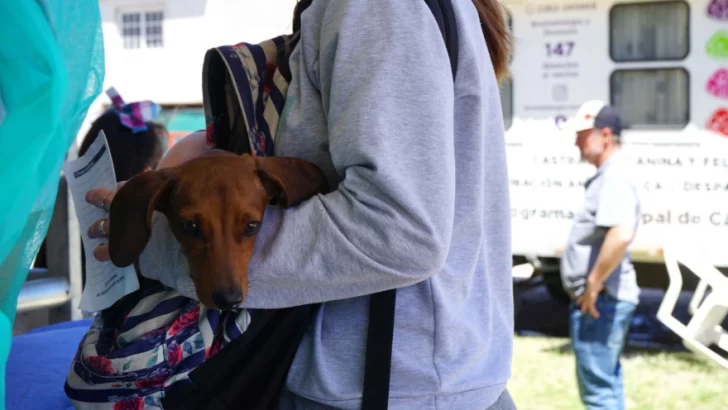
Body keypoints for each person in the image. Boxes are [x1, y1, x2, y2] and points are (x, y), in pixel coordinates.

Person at [84, 0, 516, 409]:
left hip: (387, 389)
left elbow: (400, 230)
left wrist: (162, 243)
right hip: (411, 382)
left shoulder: (378, 9)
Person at [559, 100, 642, 410]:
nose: (576, 142)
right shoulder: (611, 174)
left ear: (604, 135)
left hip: (600, 300)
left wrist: (592, 285)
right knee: (606, 383)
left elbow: (620, 233)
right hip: (604, 298)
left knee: (598, 392)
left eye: (582, 134)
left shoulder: (614, 175)